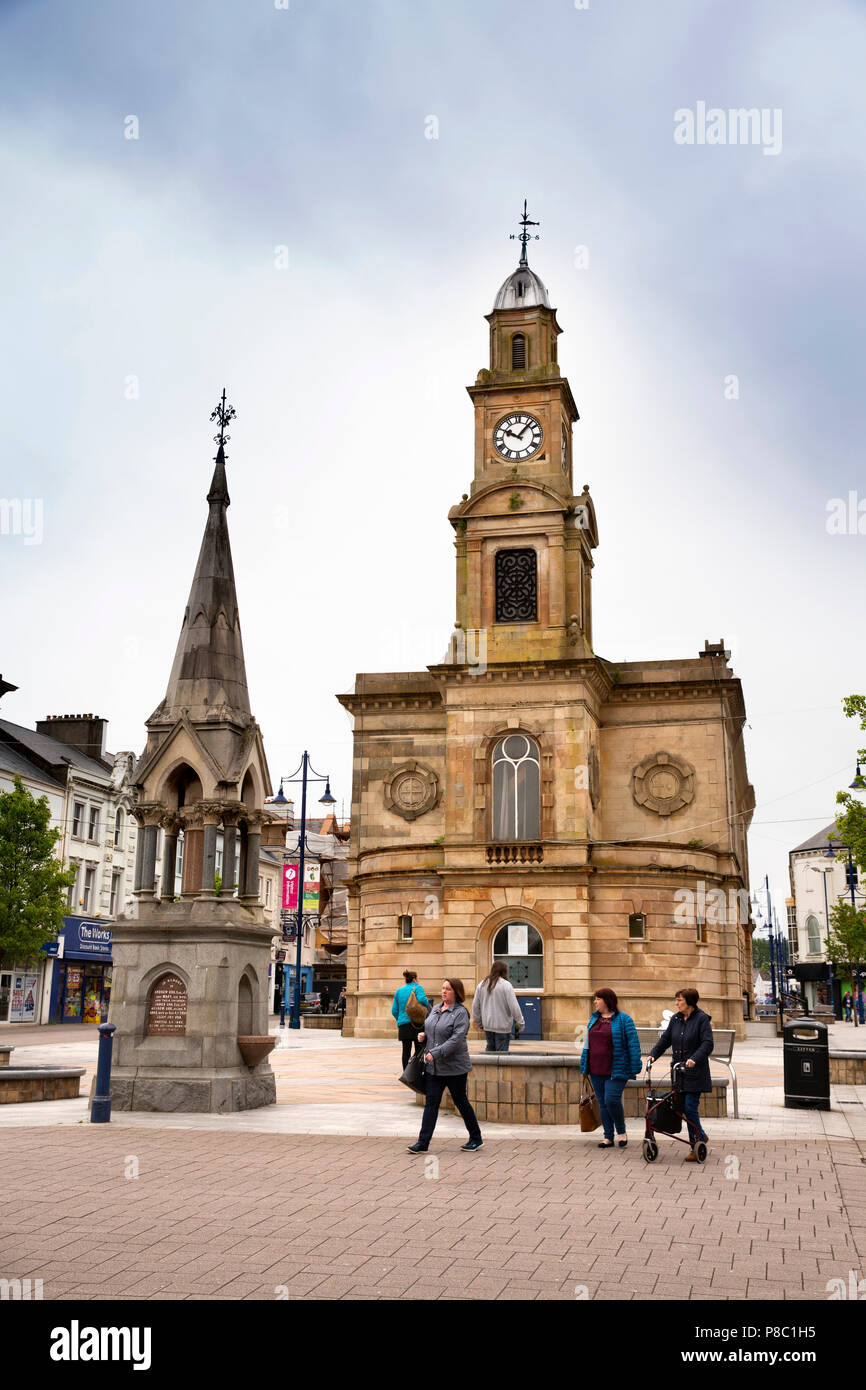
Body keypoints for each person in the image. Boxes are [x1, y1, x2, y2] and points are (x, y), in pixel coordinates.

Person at [408, 978, 483, 1153]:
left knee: (460, 1101)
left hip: (454, 1067)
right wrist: (424, 1036)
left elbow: (456, 1040)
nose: (444, 992)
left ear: (456, 992)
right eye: (443, 988)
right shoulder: (435, 1009)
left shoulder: (460, 1013)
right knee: (431, 1104)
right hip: (434, 1068)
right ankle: (423, 1143)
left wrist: (435, 1053)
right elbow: (432, 1029)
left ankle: (476, 1137)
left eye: (448, 989)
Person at [649, 987, 714, 1160]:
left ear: (689, 1002)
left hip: (695, 1071)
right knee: (681, 1108)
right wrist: (653, 1054)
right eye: (676, 1000)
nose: (676, 1003)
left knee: (690, 1107)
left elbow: (708, 1043)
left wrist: (694, 1058)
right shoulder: (676, 1019)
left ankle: (695, 1146)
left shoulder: (701, 1019)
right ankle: (700, 1135)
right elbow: (665, 1039)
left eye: (679, 1000)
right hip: (678, 1072)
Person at [579, 987, 642, 1149]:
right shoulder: (594, 1019)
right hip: (596, 1068)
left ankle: (621, 1132)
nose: (595, 1002)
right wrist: (584, 1066)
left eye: (598, 999)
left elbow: (633, 1044)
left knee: (611, 1100)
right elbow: (587, 1046)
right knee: (603, 1103)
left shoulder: (624, 1019)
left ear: (607, 1000)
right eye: (595, 999)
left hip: (617, 1068)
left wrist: (635, 1066)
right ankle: (608, 1137)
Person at [471, 960, 525, 1052]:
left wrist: (479, 1022)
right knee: (501, 1056)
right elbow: (514, 1007)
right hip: (502, 1027)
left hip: (487, 1026)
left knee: (490, 1049)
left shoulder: (482, 985)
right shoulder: (506, 985)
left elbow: (475, 1006)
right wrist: (521, 1023)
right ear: (504, 971)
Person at [391, 970, 430, 1070]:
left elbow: (394, 1010)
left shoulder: (399, 991)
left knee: (406, 1050)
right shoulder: (417, 988)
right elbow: (423, 1000)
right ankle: (416, 1072)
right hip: (417, 1024)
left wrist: (400, 1019)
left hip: (403, 1025)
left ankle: (406, 1073)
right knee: (419, 1049)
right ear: (414, 979)